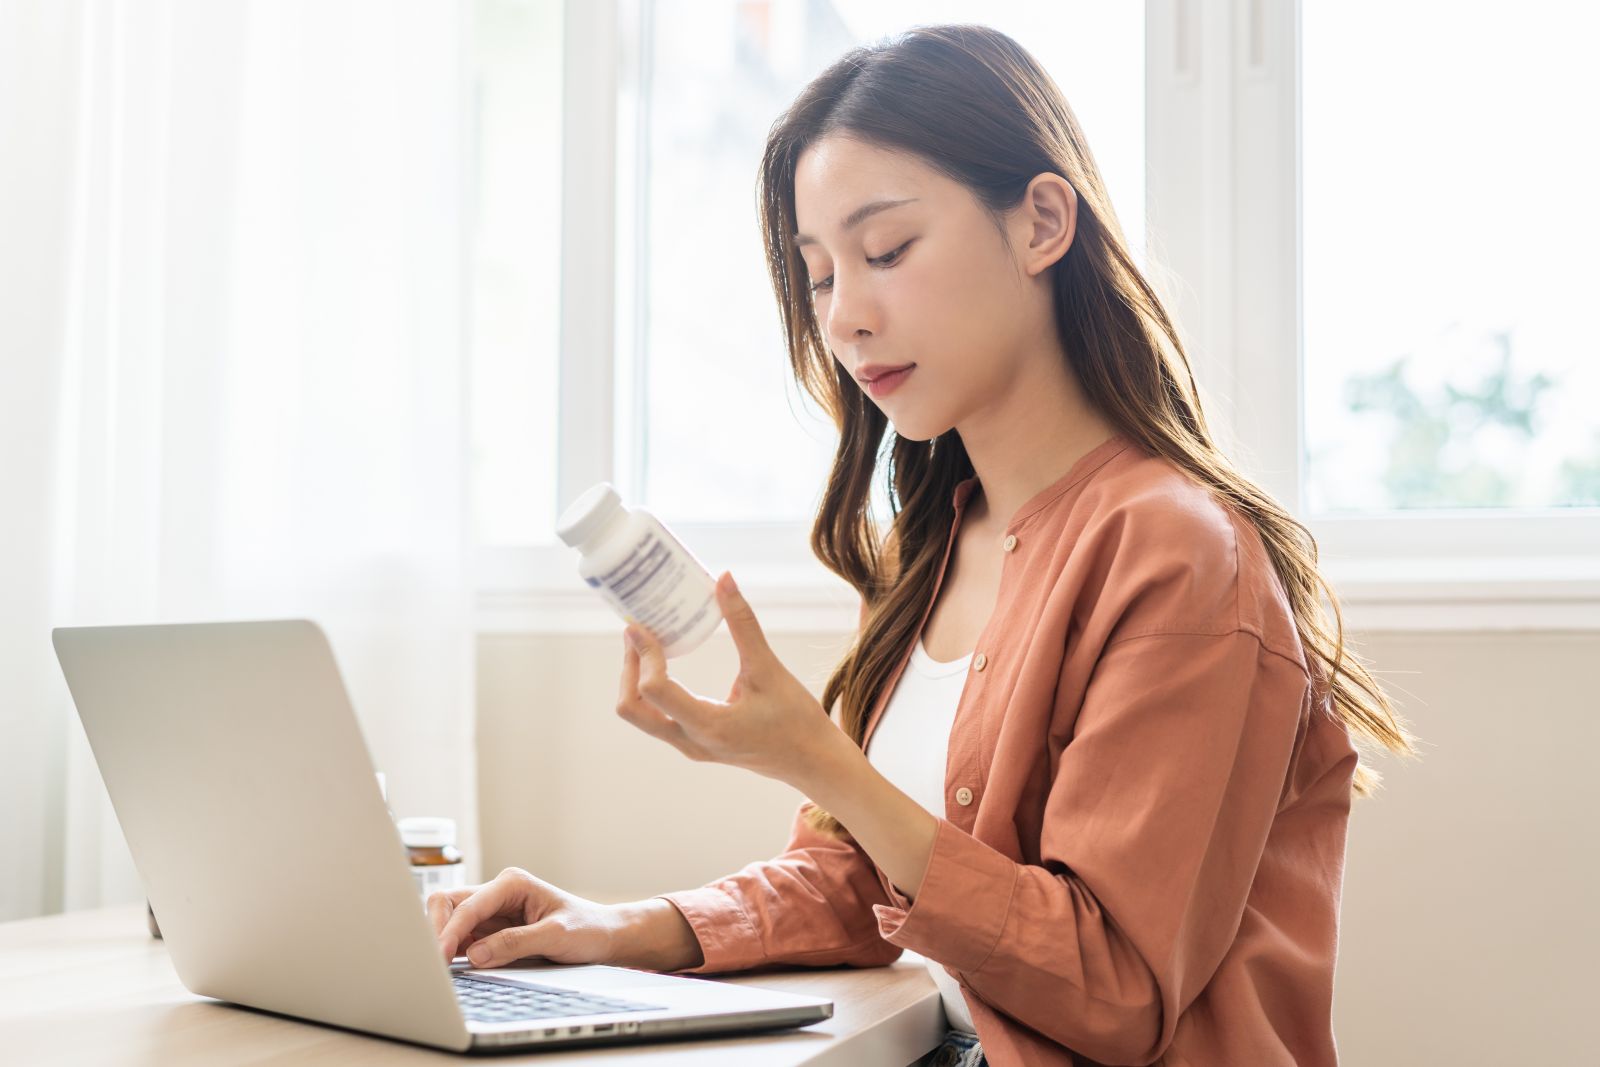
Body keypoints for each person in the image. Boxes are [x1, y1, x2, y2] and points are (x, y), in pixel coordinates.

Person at [431, 23, 1419, 1067]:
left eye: (887, 250)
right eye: (816, 277)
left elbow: (1116, 991)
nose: (846, 316)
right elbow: (872, 880)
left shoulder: (1175, 552)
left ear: (1041, 222)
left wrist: (822, 762)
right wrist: (619, 926)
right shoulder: (936, 549)